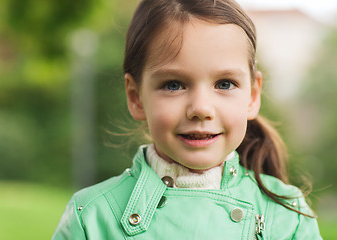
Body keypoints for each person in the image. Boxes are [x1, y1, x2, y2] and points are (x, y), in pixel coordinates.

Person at [53, 0, 322, 239]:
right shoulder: (92, 218)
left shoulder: (288, 216)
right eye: (174, 85)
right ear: (136, 98)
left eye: (225, 84)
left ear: (252, 96)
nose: (200, 108)